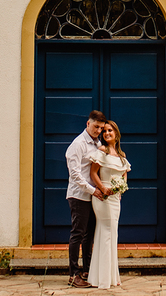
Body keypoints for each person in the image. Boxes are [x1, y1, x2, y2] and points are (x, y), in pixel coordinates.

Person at [86, 120, 131, 289]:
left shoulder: (121, 156)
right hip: (103, 198)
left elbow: (124, 174)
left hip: (115, 199)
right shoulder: (101, 152)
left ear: (116, 134)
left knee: (112, 234)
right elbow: (93, 173)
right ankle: (102, 278)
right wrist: (103, 188)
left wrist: (120, 189)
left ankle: (112, 276)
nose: (106, 133)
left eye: (110, 130)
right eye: (104, 131)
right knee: (105, 233)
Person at [65, 110, 107, 288]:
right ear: (88, 124)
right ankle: (73, 275)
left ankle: (87, 271)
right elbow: (75, 174)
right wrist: (93, 190)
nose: (98, 131)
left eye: (101, 128)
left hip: (92, 196)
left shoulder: (98, 143)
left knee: (89, 235)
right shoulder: (78, 144)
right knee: (78, 234)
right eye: (96, 127)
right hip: (79, 195)